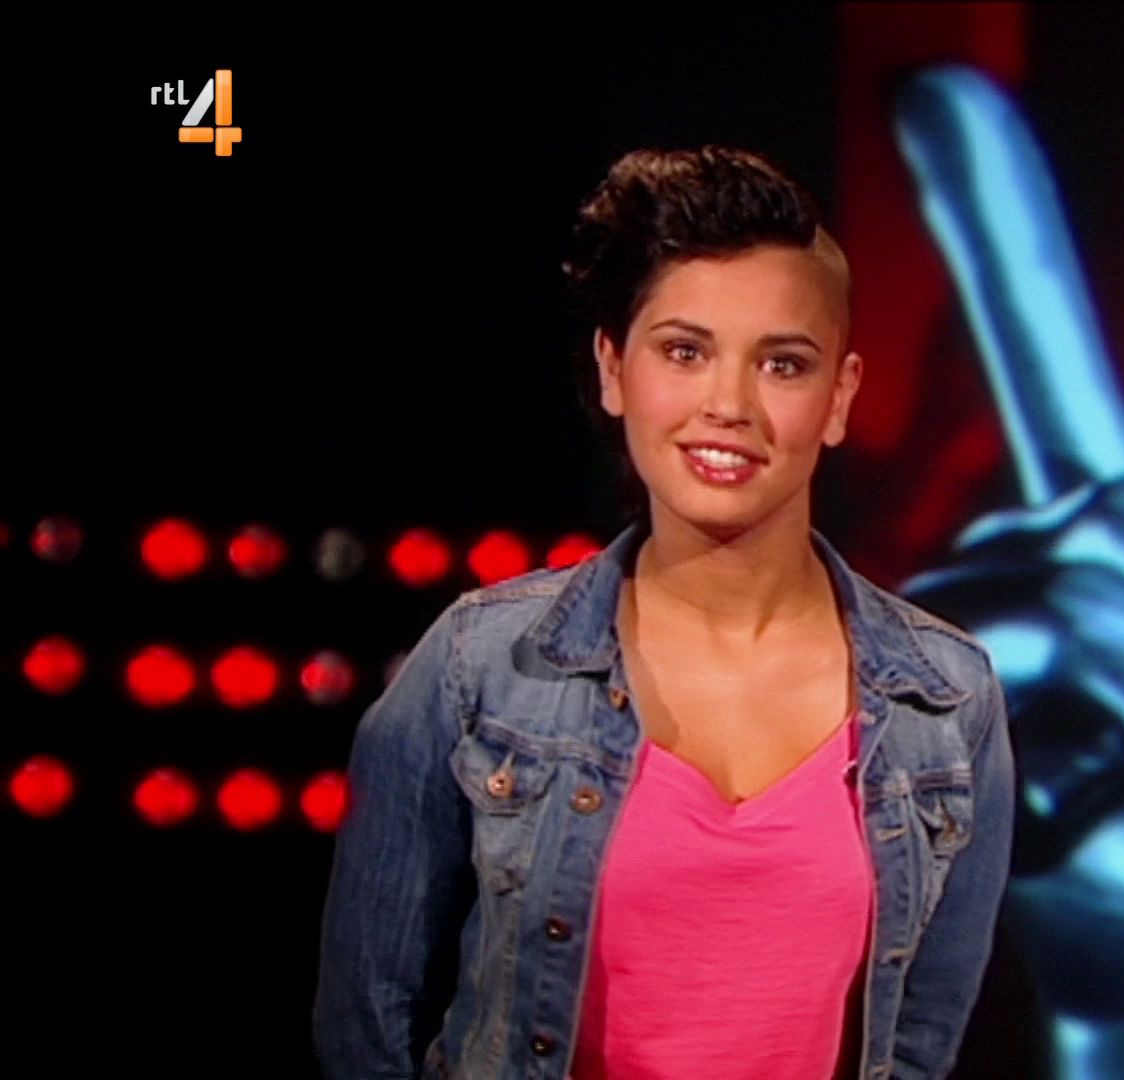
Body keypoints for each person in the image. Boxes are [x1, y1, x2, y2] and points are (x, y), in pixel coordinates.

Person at [313, 145, 1015, 1080]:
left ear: (839, 397)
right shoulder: (482, 665)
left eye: (783, 364)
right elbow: (366, 1020)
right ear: (613, 368)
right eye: (685, 352)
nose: (728, 404)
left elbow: (921, 1044)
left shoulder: (947, 701)